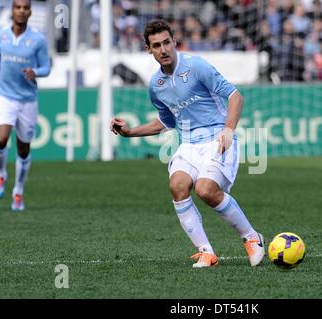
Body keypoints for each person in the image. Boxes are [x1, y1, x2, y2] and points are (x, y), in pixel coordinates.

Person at [111, 19, 265, 268]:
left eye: (166, 43)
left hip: (217, 137)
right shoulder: (156, 85)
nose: (163, 50)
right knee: (177, 185)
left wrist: (228, 130)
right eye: (156, 45)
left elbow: (235, 96)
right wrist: (130, 132)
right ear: (148, 49)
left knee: (205, 190)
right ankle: (206, 252)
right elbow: (166, 121)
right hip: (189, 144)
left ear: (174, 41)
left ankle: (252, 237)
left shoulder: (196, 66)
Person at [0, 0, 51, 211]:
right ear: (12, 10)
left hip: (27, 100)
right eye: (18, 7)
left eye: (25, 8)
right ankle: (1, 175)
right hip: (5, 96)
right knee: (1, 139)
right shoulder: (0, 36)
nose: (21, 11)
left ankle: (18, 191)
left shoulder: (38, 39)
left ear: (30, 12)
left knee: (23, 150)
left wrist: (36, 72)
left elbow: (46, 67)